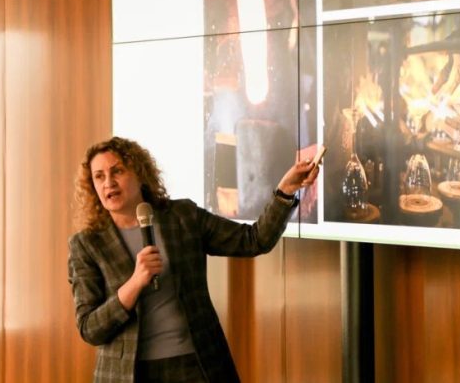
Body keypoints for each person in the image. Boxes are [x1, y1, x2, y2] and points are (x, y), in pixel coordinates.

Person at [68, 136, 319, 383]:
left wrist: (285, 191)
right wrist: (134, 283)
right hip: (128, 374)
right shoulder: (87, 244)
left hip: (196, 365)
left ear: (139, 174)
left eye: (117, 171)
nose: (109, 183)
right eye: (99, 176)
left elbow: (254, 240)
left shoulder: (182, 217)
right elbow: (90, 328)